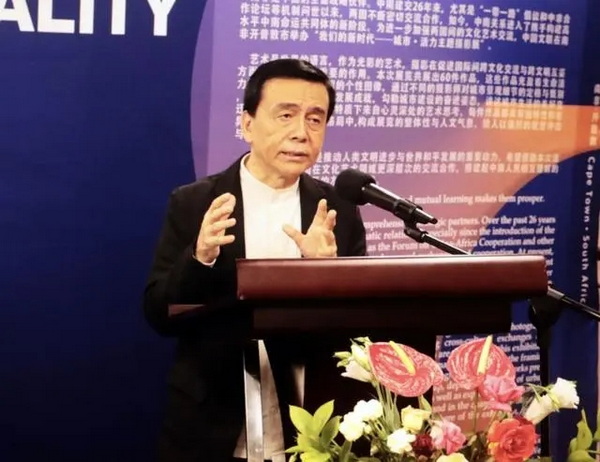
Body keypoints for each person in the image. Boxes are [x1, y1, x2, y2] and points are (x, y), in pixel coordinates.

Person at [143, 58, 367, 462]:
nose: (301, 132)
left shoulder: (337, 211)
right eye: (286, 115)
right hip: (211, 424)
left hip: (308, 426)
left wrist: (327, 274)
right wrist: (200, 258)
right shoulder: (196, 202)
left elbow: (355, 336)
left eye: (315, 119)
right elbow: (159, 313)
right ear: (247, 124)